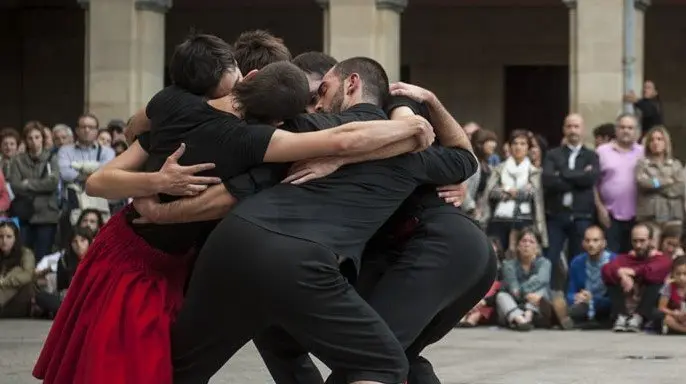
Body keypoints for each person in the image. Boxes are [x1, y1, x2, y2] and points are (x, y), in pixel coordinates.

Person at [34, 40, 431, 384]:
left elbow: (121, 149)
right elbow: (344, 139)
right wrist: (411, 127)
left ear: (250, 75)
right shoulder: (248, 139)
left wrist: (155, 190)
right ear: (281, 120)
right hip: (131, 260)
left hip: (160, 255)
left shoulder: (175, 103)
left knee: (149, 362)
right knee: (121, 365)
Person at [167, 57, 476, 383]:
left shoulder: (304, 132)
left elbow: (228, 191)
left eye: (322, 92)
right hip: (301, 260)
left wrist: (159, 211)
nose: (314, 104)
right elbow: (465, 158)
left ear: (352, 84)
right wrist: (425, 104)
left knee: (182, 368)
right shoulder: (410, 150)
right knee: (382, 365)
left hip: (232, 242)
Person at [542, 113, 599, 289]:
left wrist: (563, 174)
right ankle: (548, 298)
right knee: (550, 258)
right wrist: (580, 175)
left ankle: (575, 297)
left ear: (582, 130)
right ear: (564, 129)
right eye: (569, 126)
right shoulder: (553, 154)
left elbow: (590, 180)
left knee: (578, 260)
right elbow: (549, 181)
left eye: (576, 126)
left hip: (581, 215)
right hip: (556, 215)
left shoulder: (591, 156)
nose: (573, 130)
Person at [601, 223, 671, 332]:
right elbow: (606, 269)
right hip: (626, 303)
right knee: (611, 279)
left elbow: (654, 270)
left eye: (642, 241)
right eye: (635, 241)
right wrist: (621, 274)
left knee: (654, 281)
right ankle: (621, 316)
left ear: (651, 241)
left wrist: (633, 272)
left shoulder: (661, 259)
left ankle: (639, 317)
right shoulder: (625, 258)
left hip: (648, 307)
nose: (638, 245)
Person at [595, 114, 644, 254]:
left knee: (633, 257)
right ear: (616, 130)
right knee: (611, 258)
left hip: (637, 216)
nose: (626, 131)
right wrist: (600, 208)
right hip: (610, 215)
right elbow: (593, 184)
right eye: (622, 127)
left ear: (636, 131)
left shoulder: (643, 152)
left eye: (630, 127)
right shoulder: (602, 152)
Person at [566, 226, 616, 327]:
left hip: (606, 305)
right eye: (587, 241)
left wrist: (593, 299)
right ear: (583, 243)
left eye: (595, 240)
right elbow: (569, 292)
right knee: (575, 309)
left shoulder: (614, 261)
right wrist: (576, 297)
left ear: (604, 243)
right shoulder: (577, 262)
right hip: (583, 304)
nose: (591, 244)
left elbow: (616, 298)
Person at [0, 220, 35, 318]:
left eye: (9, 237)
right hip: (4, 298)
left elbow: (28, 275)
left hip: (20, 298)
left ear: (16, 238)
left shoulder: (25, 253)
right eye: (1, 237)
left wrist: (4, 281)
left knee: (18, 271)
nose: (4, 241)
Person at [657, 256, 686, 334]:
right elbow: (661, 307)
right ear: (672, 273)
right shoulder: (669, 287)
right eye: (678, 274)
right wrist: (674, 313)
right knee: (667, 319)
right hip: (675, 316)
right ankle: (683, 330)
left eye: (685, 274)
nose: (681, 278)